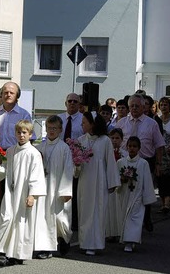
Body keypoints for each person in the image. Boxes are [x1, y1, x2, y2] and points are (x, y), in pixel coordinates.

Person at [0, 120, 46, 266]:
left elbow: (37, 175)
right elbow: (5, 170)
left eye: (24, 133)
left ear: (30, 134)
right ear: (15, 133)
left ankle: (18, 253)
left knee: (21, 223)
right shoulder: (10, 151)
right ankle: (4, 252)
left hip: (24, 193)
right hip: (11, 192)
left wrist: (32, 195)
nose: (21, 135)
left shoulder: (34, 154)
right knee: (6, 218)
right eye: (19, 132)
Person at [0, 82, 33, 224]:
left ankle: (10, 227)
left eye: (12, 92)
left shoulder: (23, 114)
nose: (8, 94)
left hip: (14, 158)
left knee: (10, 194)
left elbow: (29, 140)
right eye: (5, 92)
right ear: (1, 95)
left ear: (17, 96)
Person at [116, 94, 164, 232]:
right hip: (126, 162)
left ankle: (146, 217)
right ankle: (124, 219)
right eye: (132, 106)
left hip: (145, 162)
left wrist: (159, 164)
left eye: (137, 106)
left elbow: (159, 145)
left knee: (144, 191)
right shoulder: (121, 123)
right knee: (126, 191)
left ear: (144, 107)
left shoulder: (152, 123)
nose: (135, 108)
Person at [76, 112, 120, 256]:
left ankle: (95, 244)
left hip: (100, 182)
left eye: (84, 122)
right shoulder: (80, 140)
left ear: (93, 124)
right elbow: (75, 165)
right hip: (85, 181)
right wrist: (76, 165)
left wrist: (113, 182)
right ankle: (84, 242)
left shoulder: (105, 141)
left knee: (98, 212)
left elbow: (111, 162)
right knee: (85, 211)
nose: (82, 125)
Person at [34, 115, 73, 259]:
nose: (51, 131)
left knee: (60, 218)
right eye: (49, 128)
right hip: (43, 188)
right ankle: (46, 248)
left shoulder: (64, 148)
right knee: (43, 217)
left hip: (58, 189)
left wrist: (66, 190)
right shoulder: (39, 147)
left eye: (54, 128)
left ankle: (64, 238)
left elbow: (68, 170)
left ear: (60, 130)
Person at [115, 136, 156, 253]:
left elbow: (147, 181)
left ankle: (130, 241)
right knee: (125, 216)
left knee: (134, 217)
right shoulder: (121, 162)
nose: (132, 148)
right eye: (130, 146)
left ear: (139, 148)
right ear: (126, 147)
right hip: (124, 194)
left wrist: (147, 197)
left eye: (135, 146)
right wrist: (121, 179)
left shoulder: (143, 163)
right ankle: (125, 238)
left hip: (137, 195)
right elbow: (116, 178)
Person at [57, 93, 84, 232]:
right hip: (60, 159)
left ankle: (74, 221)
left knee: (75, 190)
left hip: (77, 160)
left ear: (79, 104)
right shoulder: (59, 119)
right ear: (65, 103)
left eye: (75, 101)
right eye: (70, 101)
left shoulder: (83, 119)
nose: (72, 103)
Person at [106, 128, 127, 242]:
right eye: (112, 138)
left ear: (122, 140)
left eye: (117, 138)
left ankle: (120, 231)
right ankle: (109, 232)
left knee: (119, 208)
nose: (114, 140)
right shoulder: (107, 152)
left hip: (121, 185)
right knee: (109, 208)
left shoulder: (125, 154)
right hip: (110, 183)